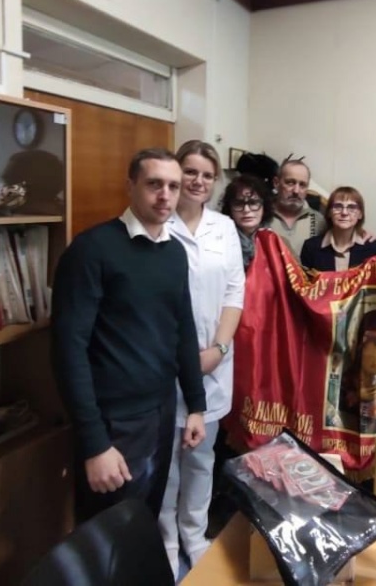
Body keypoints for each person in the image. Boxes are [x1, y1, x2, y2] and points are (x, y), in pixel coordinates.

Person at [51, 148, 206, 524]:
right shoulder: (92, 250)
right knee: (106, 532)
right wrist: (94, 444)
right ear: (130, 186)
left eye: (173, 186)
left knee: (143, 520)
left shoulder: (174, 252)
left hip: (161, 412)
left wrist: (196, 405)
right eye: (154, 184)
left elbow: (183, 329)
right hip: (113, 423)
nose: (165, 195)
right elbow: (68, 349)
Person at [159, 140, 245, 576]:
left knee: (201, 457)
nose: (198, 181)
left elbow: (234, 292)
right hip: (164, 366)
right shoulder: (158, 223)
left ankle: (194, 535)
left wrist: (219, 349)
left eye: (207, 175)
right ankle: (166, 541)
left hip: (212, 363)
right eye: (190, 172)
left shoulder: (224, 228)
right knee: (166, 463)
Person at [300, 186, 376, 271]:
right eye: (338, 206)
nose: (344, 212)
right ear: (329, 212)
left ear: (360, 214)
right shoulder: (310, 248)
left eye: (351, 207)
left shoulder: (372, 248)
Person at [268, 158, 327, 256]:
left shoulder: (319, 221)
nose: (296, 191)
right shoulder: (260, 217)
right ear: (276, 183)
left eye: (302, 185)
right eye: (290, 183)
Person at [220, 173, 274, 270]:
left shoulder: (276, 242)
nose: (246, 210)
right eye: (238, 204)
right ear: (229, 208)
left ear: (264, 206)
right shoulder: (219, 243)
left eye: (253, 203)